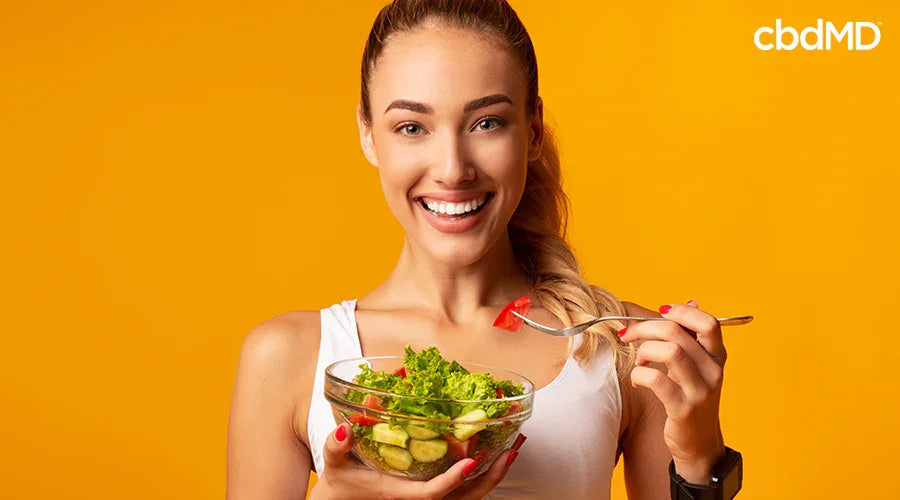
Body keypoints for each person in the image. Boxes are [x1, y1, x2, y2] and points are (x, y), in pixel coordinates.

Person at [227, 1, 737, 498]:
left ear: (533, 132)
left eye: (487, 122)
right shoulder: (289, 358)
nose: (452, 168)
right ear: (368, 134)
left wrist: (700, 459)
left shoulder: (624, 351)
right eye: (412, 127)